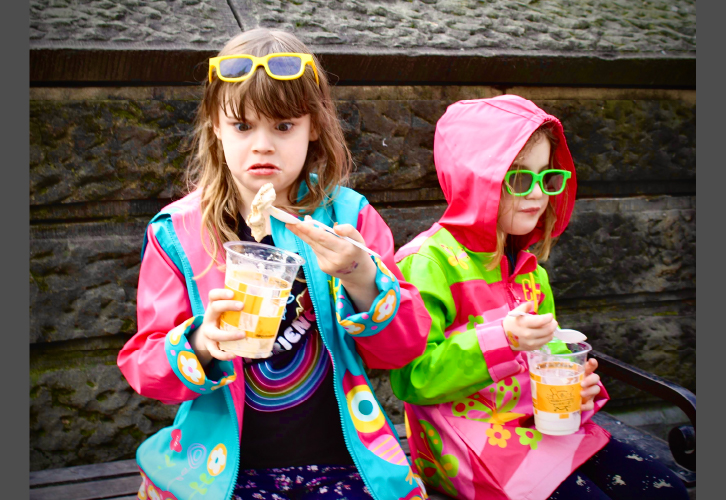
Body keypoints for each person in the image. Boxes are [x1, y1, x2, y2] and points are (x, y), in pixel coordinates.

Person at [117, 28, 431, 500]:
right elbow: (143, 365)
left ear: (315, 127)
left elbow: (403, 349)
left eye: (284, 126)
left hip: (344, 462)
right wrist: (201, 341)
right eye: (243, 126)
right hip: (222, 472)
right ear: (215, 128)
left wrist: (362, 276)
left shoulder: (348, 217)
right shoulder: (178, 233)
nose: (262, 145)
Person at [389, 95, 690, 500]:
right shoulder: (426, 263)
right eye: (517, 177)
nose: (536, 194)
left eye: (547, 178)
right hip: (469, 447)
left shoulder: (529, 270)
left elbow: (546, 362)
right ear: (474, 178)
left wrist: (577, 390)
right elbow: (413, 378)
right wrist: (504, 338)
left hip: (541, 429)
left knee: (664, 490)